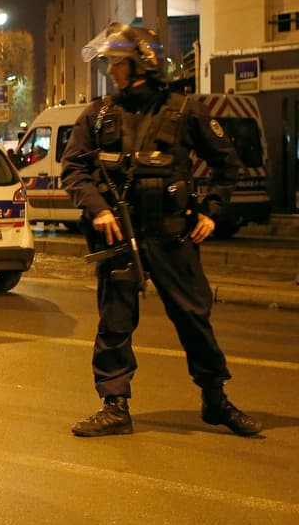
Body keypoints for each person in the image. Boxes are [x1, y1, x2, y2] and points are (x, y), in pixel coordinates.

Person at [62, 22, 261, 438]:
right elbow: (74, 169)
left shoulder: (184, 110)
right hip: (119, 239)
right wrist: (98, 209)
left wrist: (212, 211)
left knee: (193, 319)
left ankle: (215, 400)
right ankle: (114, 406)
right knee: (114, 323)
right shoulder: (98, 114)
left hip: (173, 235)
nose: (111, 71)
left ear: (142, 64)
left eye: (117, 62)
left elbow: (227, 163)